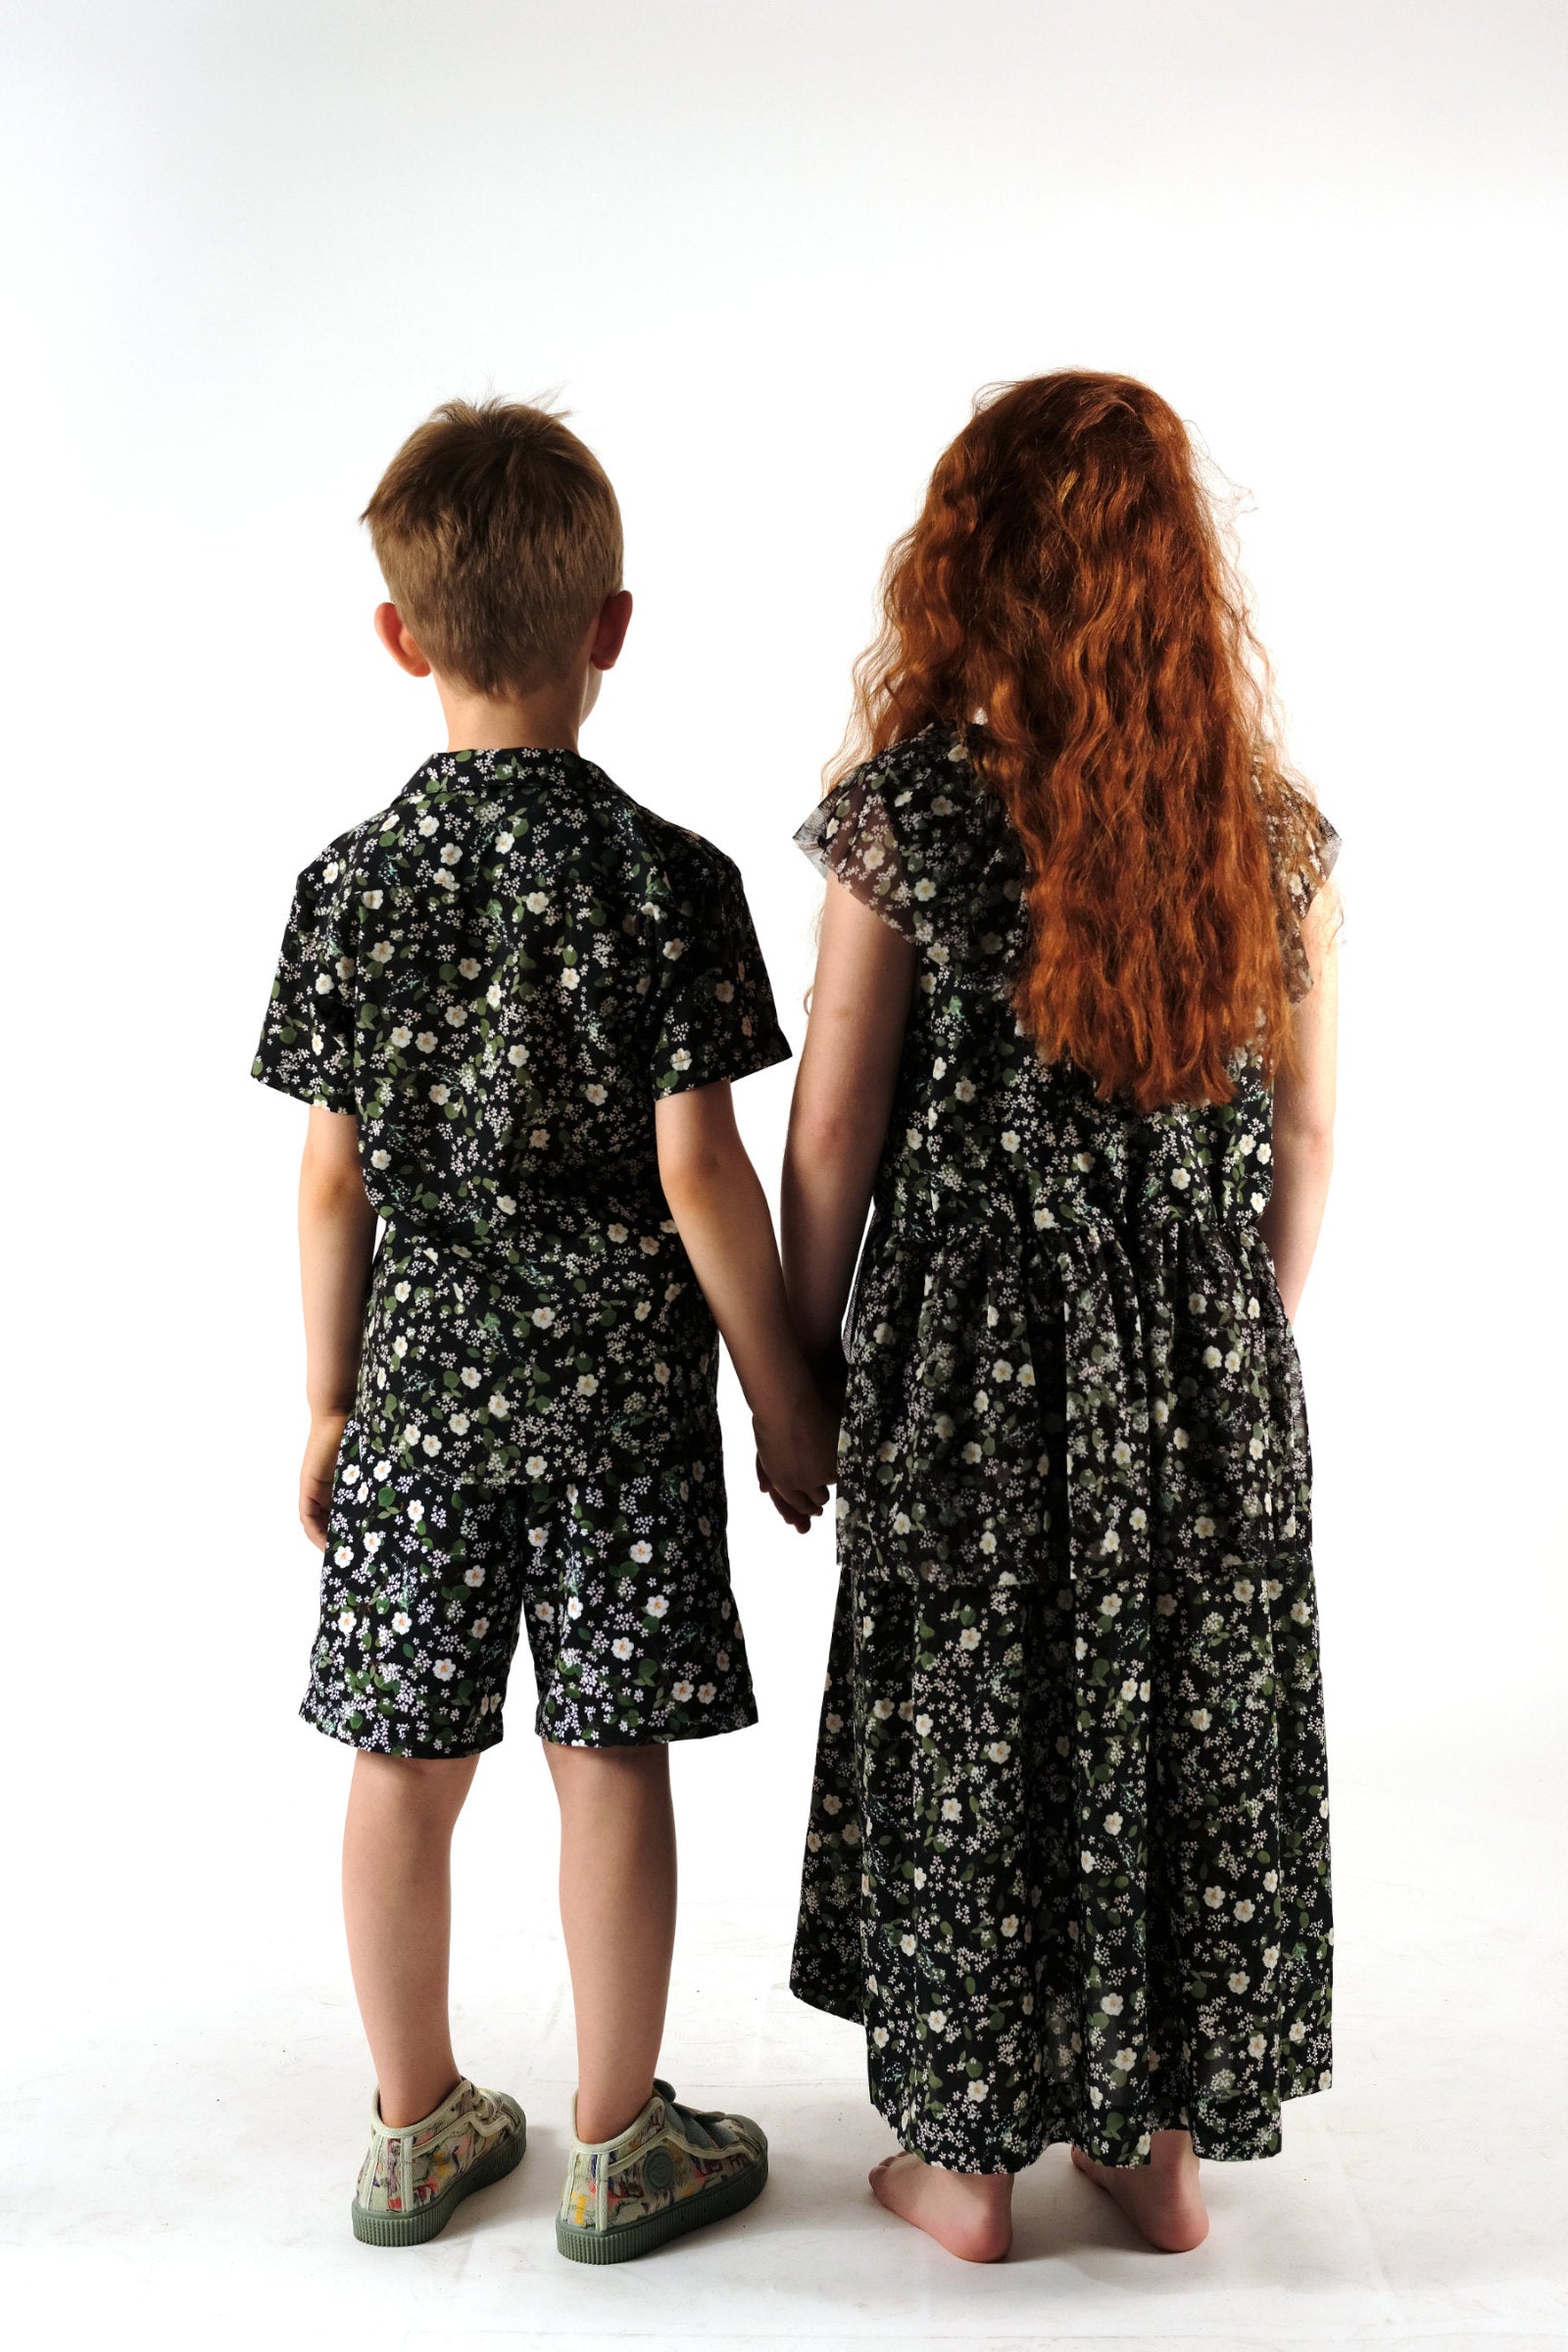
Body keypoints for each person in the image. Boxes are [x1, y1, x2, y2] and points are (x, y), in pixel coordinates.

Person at [253, 399, 835, 2260]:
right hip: (617, 1412)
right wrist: (785, 1397)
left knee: (403, 1764)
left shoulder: (347, 888)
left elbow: (332, 1184)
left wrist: (328, 1403)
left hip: (418, 1404)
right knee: (609, 1757)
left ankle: (413, 2124)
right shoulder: (673, 881)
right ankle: (615, 2141)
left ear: (398, 634)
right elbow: (703, 1177)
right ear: (611, 627)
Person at [774, 371, 1341, 2264]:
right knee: (1176, 1726)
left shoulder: (911, 819)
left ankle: (967, 2170)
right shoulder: (1265, 833)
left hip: (969, 1369)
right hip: (1201, 1373)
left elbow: (831, 1137)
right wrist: (1227, 1348)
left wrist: (800, 1376)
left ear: (970, 572)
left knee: (975, 1723)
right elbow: (1308, 1136)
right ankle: (1161, 2154)